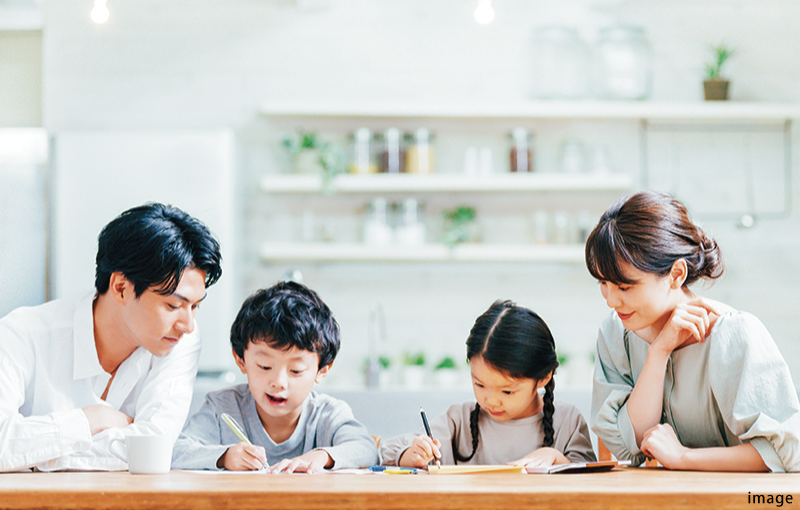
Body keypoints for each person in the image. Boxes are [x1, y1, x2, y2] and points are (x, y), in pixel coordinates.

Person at [587, 190, 800, 472]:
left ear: (676, 275)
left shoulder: (734, 333)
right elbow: (626, 448)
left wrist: (683, 458)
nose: (612, 300)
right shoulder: (615, 333)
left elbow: (785, 453)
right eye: (603, 283)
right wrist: (659, 353)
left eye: (625, 287)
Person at [0, 202, 223, 472]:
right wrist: (89, 420)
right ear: (120, 288)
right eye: (173, 306)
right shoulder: (22, 334)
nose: (188, 324)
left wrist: (32, 456)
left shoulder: (181, 339)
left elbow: (154, 448)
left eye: (195, 306)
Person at [172, 281, 379, 472]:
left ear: (322, 369)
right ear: (240, 359)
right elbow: (176, 451)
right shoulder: (223, 407)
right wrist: (225, 457)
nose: (278, 383)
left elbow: (367, 449)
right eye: (264, 366)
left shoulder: (328, 415)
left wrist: (321, 456)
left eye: (296, 371)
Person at [380, 300, 596, 468]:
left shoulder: (567, 421)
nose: (490, 401)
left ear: (544, 377)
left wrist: (556, 458)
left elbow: (591, 480)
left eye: (507, 391)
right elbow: (385, 450)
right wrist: (411, 454)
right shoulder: (459, 420)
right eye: (479, 385)